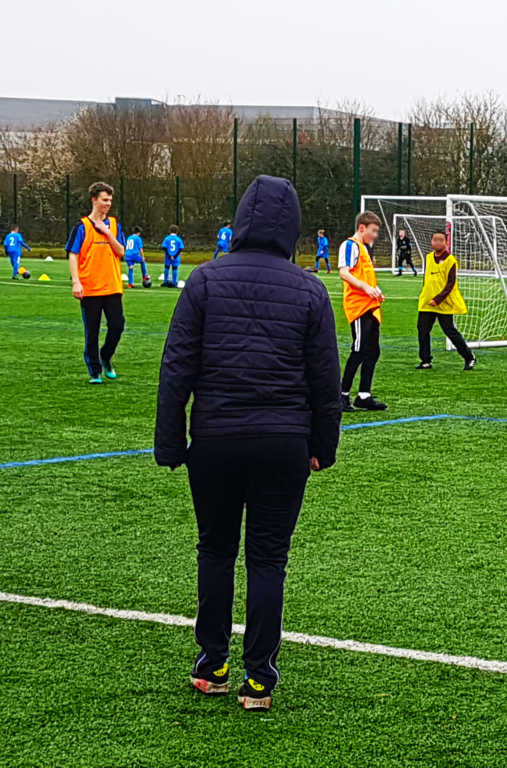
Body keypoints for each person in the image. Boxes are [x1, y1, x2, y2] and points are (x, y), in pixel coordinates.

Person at [154, 175, 343, 713]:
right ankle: (258, 678)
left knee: (215, 550)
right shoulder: (310, 289)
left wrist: (170, 441)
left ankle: (212, 663)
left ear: (240, 220)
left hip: (214, 439)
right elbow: (325, 385)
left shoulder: (205, 280)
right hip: (282, 443)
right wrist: (322, 446)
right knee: (268, 559)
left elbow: (177, 369)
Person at [65, 181, 127, 384]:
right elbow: (73, 254)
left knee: (117, 326)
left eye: (110, 200)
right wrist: (76, 282)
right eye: (104, 200)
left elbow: (121, 252)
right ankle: (95, 371)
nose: (108, 204)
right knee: (92, 331)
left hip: (112, 286)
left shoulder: (115, 225)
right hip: (90, 288)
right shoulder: (81, 226)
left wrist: (107, 233)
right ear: (94, 200)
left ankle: (106, 357)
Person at [338, 211, 388, 412]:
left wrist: (375, 290)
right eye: (373, 230)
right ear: (362, 228)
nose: (375, 235)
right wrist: (366, 289)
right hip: (359, 306)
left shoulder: (365, 249)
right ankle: (342, 395)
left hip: (371, 306)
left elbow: (365, 277)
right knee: (359, 350)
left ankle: (364, 395)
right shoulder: (350, 245)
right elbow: (344, 273)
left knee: (373, 350)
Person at [415, 230, 476, 371]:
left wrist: (438, 299)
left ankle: (469, 356)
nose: (437, 242)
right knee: (423, 330)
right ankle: (425, 360)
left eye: (441, 240)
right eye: (435, 239)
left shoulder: (450, 260)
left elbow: (451, 283)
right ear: (431, 241)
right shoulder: (429, 257)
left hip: (443, 302)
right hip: (427, 302)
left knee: (449, 331)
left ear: (446, 243)